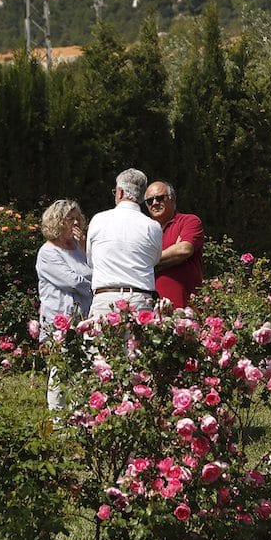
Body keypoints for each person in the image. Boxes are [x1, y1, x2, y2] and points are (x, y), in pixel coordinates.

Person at [35, 199, 93, 410]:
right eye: (70, 218)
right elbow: (72, 281)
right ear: (57, 221)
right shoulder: (48, 252)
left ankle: (78, 417)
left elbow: (97, 266)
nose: (76, 222)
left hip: (84, 318)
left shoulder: (79, 248)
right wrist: (97, 283)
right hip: (60, 321)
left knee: (83, 371)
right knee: (60, 371)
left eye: (78, 217)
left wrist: (86, 244)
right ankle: (58, 421)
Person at [86, 168, 162, 317]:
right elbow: (154, 260)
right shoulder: (152, 226)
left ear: (120, 192)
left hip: (104, 300)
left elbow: (91, 261)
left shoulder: (98, 220)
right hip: (140, 301)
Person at [144, 180, 205, 309]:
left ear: (172, 199)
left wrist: (147, 264)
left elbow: (183, 250)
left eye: (160, 198)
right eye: (149, 201)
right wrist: (169, 257)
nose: (155, 203)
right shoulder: (144, 230)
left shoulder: (189, 221)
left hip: (184, 310)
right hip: (150, 311)